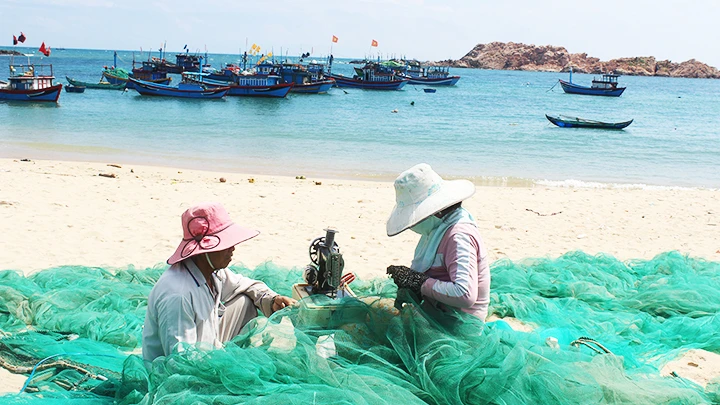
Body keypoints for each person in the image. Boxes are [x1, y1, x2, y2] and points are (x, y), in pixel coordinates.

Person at [142, 202, 296, 362]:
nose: (233, 248)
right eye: (226, 244)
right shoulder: (178, 295)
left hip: (207, 348)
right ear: (204, 251)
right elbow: (181, 361)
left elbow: (246, 285)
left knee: (245, 301)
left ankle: (224, 356)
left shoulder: (212, 272)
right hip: (181, 371)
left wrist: (272, 300)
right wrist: (221, 369)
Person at [386, 163, 490, 321]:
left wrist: (418, 282)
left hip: (460, 323)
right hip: (437, 311)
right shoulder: (437, 229)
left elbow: (465, 294)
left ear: (435, 211)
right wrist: (410, 286)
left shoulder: (458, 236)